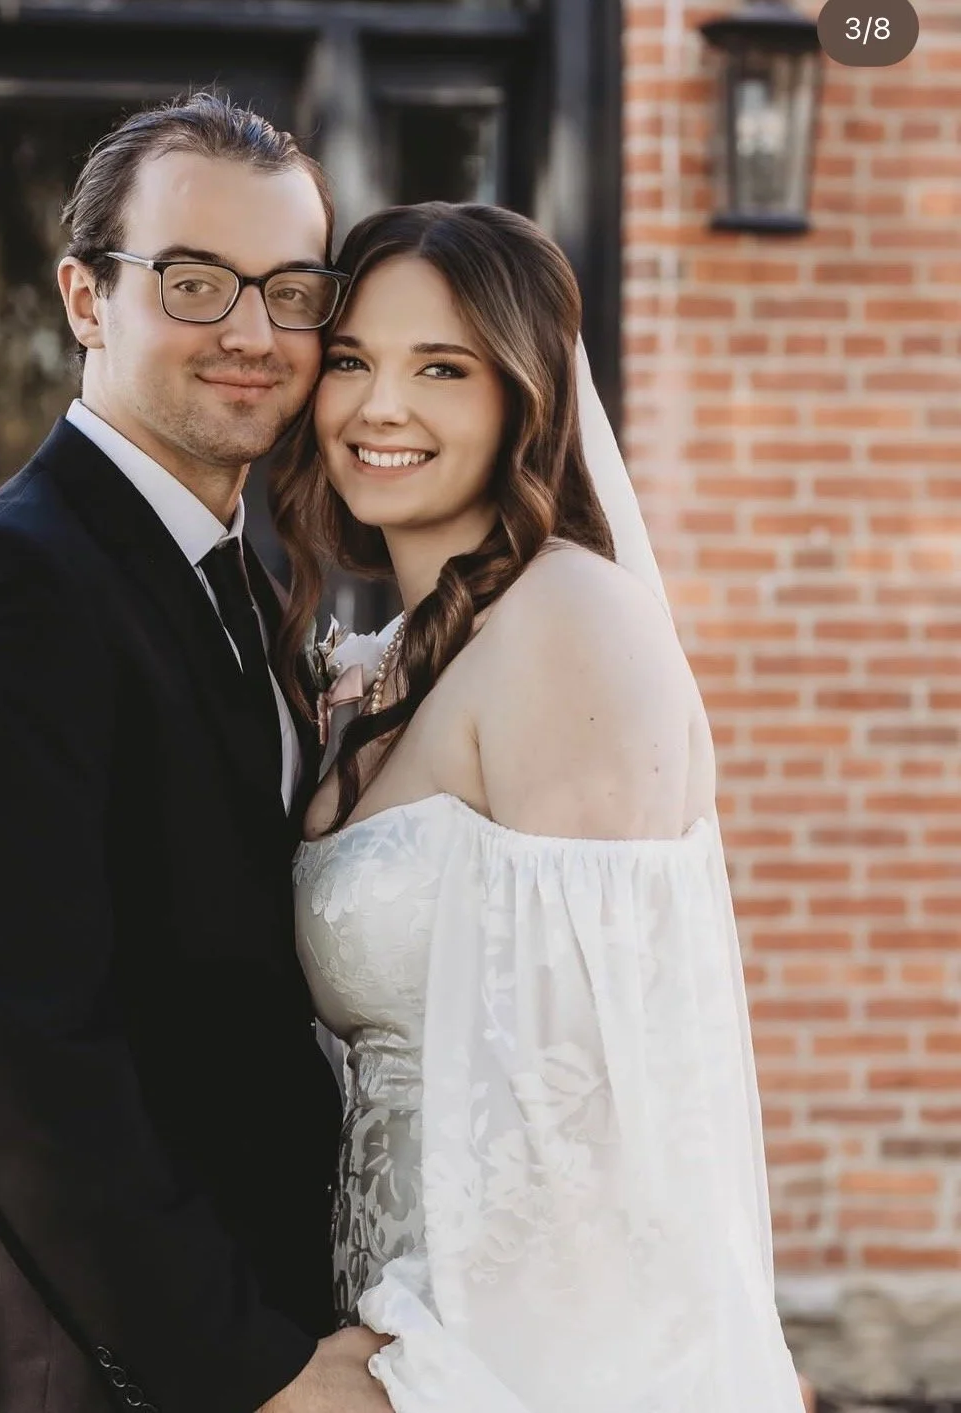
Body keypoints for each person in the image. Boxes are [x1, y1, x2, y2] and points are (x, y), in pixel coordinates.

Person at [0, 93, 392, 1413]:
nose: (254, 334)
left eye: (290, 289)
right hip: (62, 1358)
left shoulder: (245, 585)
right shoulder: (0, 594)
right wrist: (256, 1373)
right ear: (86, 299)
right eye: (196, 283)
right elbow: (32, 1066)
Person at [273, 202, 809, 1411]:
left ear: (528, 398)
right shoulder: (400, 661)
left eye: (441, 369)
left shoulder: (574, 624)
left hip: (537, 1361)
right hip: (387, 1321)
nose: (380, 409)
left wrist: (423, 1372)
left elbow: (592, 1117)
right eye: (352, 361)